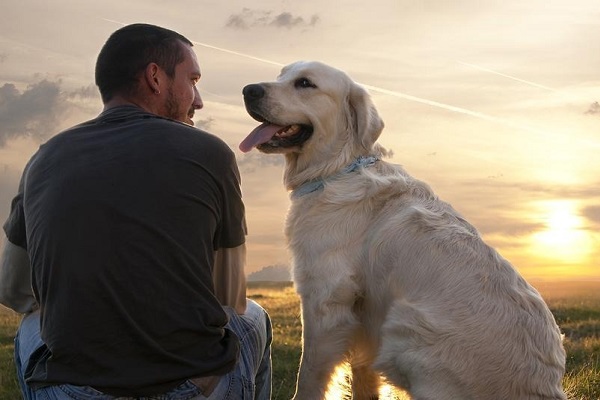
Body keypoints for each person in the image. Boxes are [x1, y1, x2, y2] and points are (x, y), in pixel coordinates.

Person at [0, 23, 272, 399]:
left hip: (72, 390)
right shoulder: (211, 153)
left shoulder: (44, 158)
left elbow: (13, 290)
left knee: (33, 322)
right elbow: (229, 296)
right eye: (192, 80)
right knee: (254, 316)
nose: (199, 100)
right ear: (155, 78)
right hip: (189, 387)